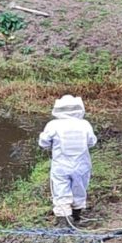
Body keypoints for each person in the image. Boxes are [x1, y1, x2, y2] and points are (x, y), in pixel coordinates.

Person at [39, 95, 97, 228]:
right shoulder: (85, 124)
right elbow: (92, 142)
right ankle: (76, 216)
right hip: (82, 165)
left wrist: (51, 146)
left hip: (61, 165)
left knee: (60, 190)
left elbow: (43, 142)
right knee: (79, 189)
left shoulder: (53, 125)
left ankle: (64, 222)